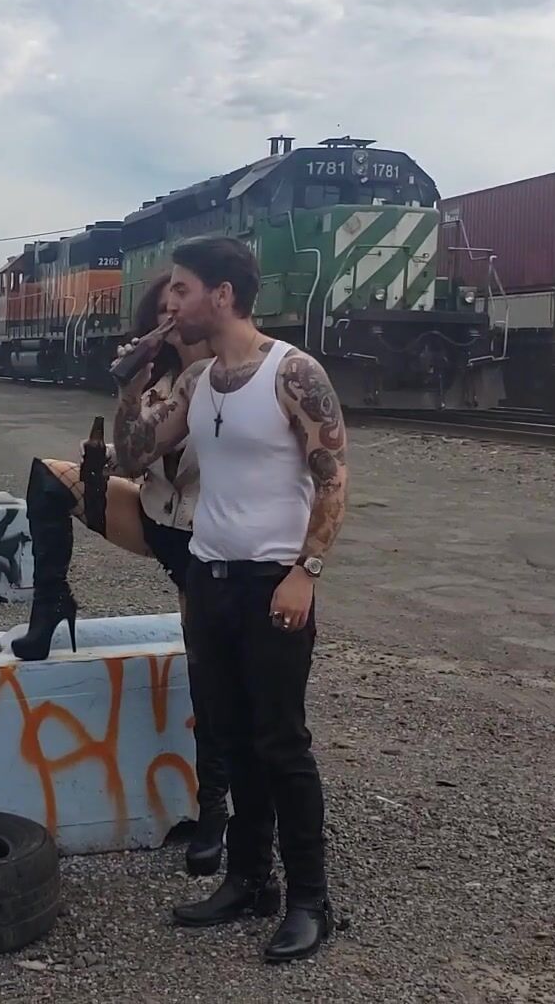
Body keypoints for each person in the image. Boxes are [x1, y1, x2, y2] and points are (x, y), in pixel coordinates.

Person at [111, 235, 349, 963]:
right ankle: (249, 881)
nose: (170, 302)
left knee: (281, 745)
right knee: (231, 736)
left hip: (272, 583)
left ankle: (310, 899)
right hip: (209, 579)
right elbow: (134, 454)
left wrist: (306, 571)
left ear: (222, 295)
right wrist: (131, 382)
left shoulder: (293, 373)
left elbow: (334, 477)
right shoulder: (198, 381)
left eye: (182, 289)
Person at [16, 273, 232, 877]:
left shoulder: (227, 379)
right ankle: (52, 605)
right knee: (50, 478)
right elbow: (138, 455)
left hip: (206, 540)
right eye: (160, 308)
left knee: (208, 674)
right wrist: (121, 413)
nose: (168, 316)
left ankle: (214, 808)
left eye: (177, 304)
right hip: (155, 518)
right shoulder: (158, 377)